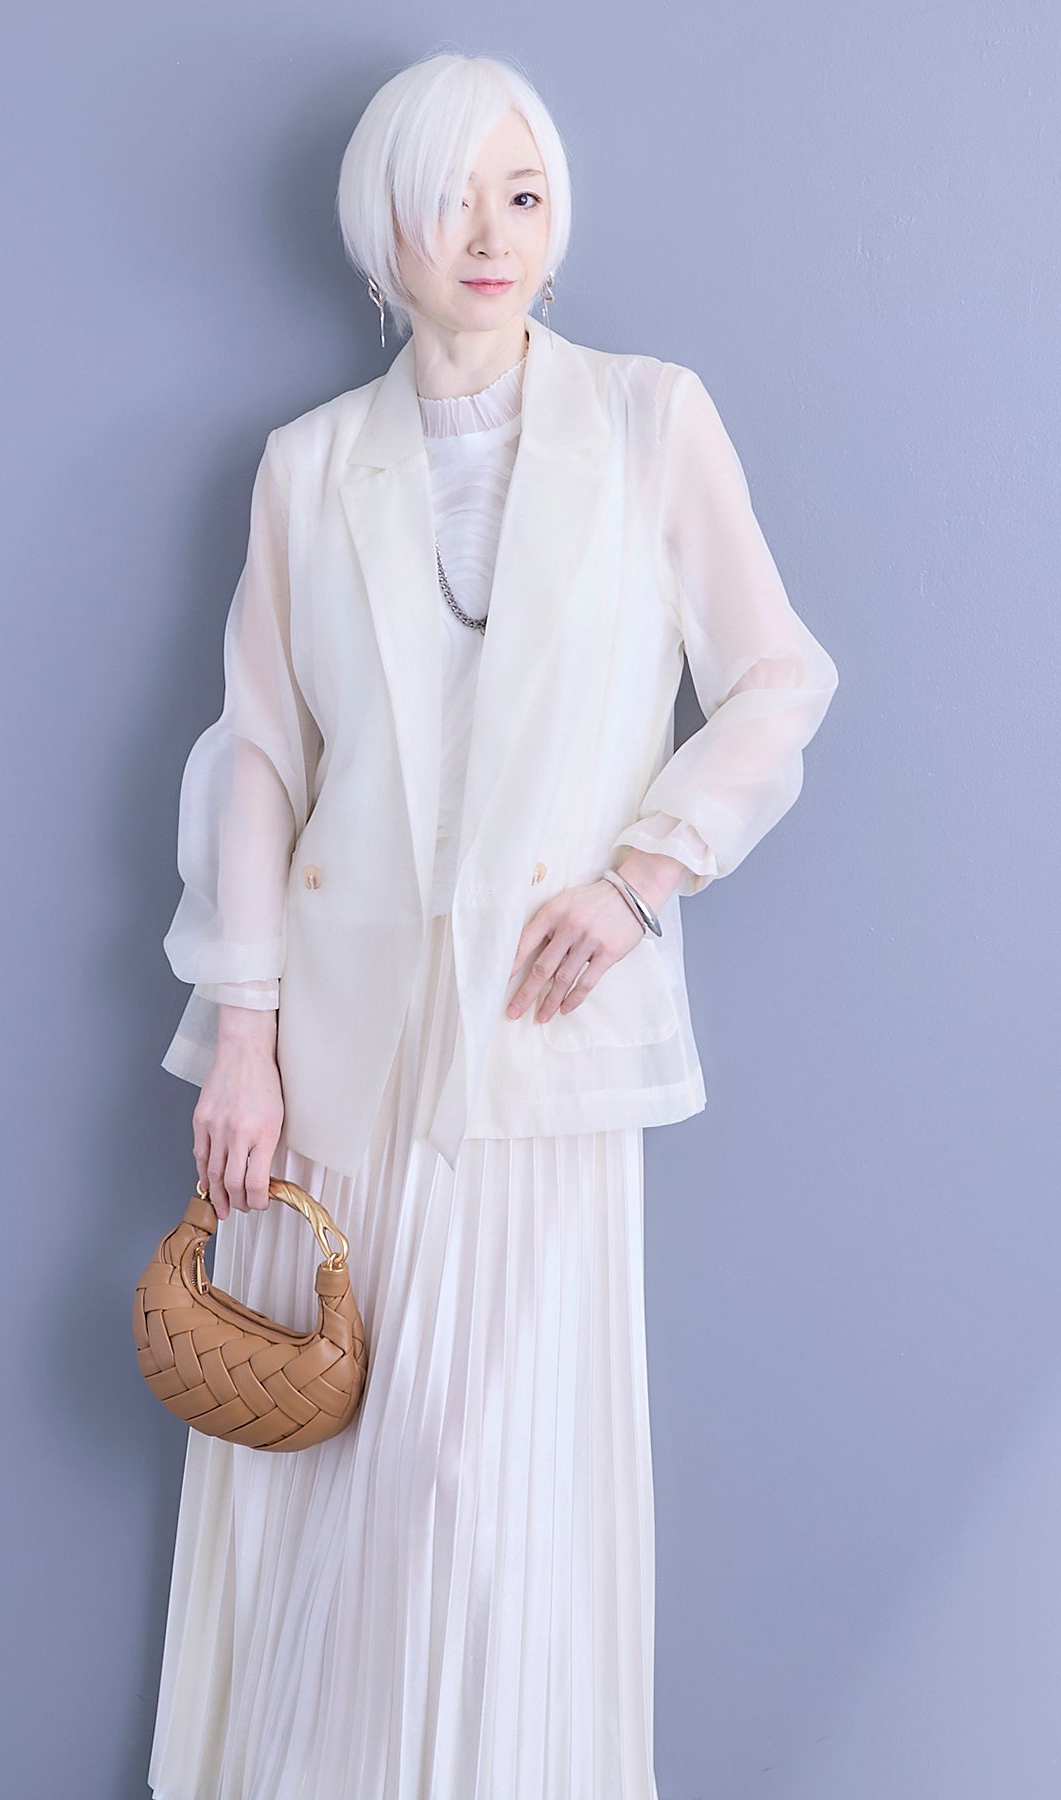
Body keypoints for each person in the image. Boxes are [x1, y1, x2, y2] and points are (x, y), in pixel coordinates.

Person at [147, 49, 839, 1800]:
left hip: (537, 1038)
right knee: (323, 1463)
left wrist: (643, 877)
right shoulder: (309, 466)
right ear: (382, 228)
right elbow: (259, 759)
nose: (491, 234)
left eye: (522, 196)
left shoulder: (647, 419)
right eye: (452, 199)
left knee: (482, 1476)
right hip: (338, 1051)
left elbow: (777, 681)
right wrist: (243, 1035)